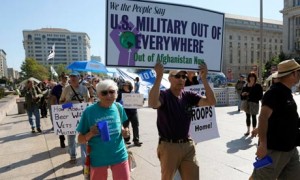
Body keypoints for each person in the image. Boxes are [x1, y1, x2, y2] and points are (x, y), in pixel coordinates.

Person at [148, 62, 216, 180]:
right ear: (169, 78)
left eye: (184, 76)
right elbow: (153, 103)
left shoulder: (188, 95)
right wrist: (159, 77)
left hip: (188, 145)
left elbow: (211, 102)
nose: (181, 79)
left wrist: (203, 78)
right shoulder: (164, 95)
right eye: (177, 76)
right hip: (169, 147)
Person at [251, 59, 300, 179]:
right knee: (260, 178)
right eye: (298, 72)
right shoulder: (274, 92)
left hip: (291, 149)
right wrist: (262, 144)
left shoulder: (287, 92)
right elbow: (263, 117)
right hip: (273, 151)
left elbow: (286, 118)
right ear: (292, 74)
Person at [77, 79, 131, 180]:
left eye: (112, 92)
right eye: (104, 93)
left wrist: (125, 132)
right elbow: (80, 139)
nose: (108, 96)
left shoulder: (118, 107)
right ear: (98, 94)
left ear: (116, 93)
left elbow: (121, 126)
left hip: (119, 155)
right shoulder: (89, 112)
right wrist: (90, 133)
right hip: (98, 158)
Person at [59, 71, 91, 165]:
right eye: (71, 77)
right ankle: (73, 155)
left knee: (83, 138)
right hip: (70, 117)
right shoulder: (66, 89)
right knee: (71, 138)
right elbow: (61, 102)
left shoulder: (84, 88)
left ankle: (84, 158)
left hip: (82, 116)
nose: (72, 79)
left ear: (79, 78)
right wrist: (69, 105)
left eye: (74, 77)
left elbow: (88, 101)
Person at [116, 81, 143, 146]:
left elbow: (139, 101)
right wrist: (120, 102)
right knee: (125, 126)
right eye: (124, 85)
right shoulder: (120, 93)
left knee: (135, 126)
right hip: (125, 112)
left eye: (127, 85)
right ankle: (126, 139)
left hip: (134, 112)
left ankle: (136, 140)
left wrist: (140, 102)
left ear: (129, 86)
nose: (125, 86)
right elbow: (117, 102)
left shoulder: (133, 93)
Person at [49, 73, 68, 148]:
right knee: (61, 125)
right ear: (61, 78)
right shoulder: (56, 87)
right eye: (63, 78)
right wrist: (54, 109)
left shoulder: (70, 86)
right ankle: (62, 139)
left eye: (66, 78)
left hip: (69, 108)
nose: (65, 79)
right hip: (60, 108)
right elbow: (53, 99)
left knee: (70, 124)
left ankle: (70, 140)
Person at [241, 72, 263, 136]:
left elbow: (260, 96)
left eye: (253, 77)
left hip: (254, 103)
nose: (251, 78)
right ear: (248, 78)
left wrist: (250, 95)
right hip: (247, 103)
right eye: (250, 77)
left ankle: (254, 131)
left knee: (254, 116)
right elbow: (242, 94)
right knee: (247, 116)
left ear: (255, 78)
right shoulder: (245, 85)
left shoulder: (258, 86)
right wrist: (243, 94)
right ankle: (248, 130)